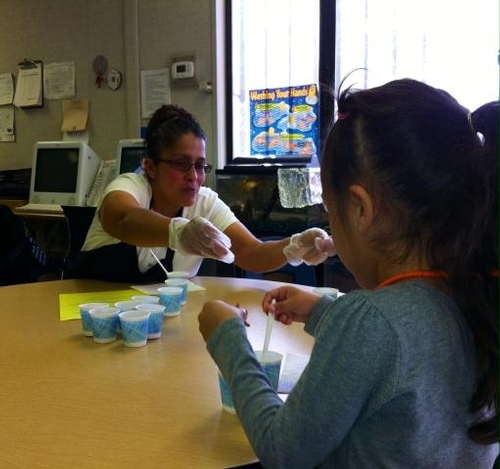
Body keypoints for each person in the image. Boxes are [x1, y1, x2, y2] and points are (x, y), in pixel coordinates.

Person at [198, 79, 499, 468]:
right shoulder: (477, 294)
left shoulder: (369, 321)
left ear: (360, 208)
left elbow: (282, 450)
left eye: (330, 208)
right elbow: (403, 351)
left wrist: (228, 341)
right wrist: (325, 312)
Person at [68, 104, 334, 283]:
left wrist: (293, 246)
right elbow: (123, 219)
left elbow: (252, 252)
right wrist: (178, 232)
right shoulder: (132, 186)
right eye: (181, 164)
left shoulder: (205, 203)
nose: (193, 176)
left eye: (199, 165)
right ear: (150, 166)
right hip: (89, 322)